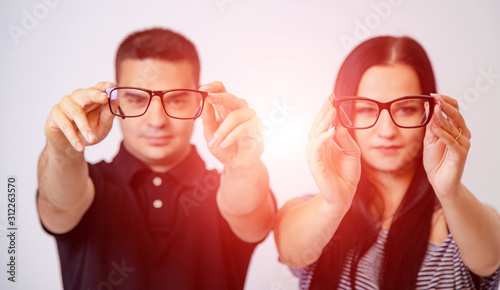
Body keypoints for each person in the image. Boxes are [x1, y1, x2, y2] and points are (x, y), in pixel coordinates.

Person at [37, 28, 276, 289]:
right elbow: (57, 204)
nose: (156, 121)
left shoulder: (227, 186)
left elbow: (250, 213)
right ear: (114, 102)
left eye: (176, 99)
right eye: (137, 99)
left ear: (199, 102)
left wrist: (242, 167)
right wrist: (64, 151)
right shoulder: (85, 182)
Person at [274, 36, 500, 289]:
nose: (387, 131)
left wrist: (450, 190)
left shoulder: (463, 218)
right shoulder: (316, 211)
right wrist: (333, 203)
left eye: (406, 109)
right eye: (366, 109)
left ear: (429, 112)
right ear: (342, 114)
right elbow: (292, 252)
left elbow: (491, 258)